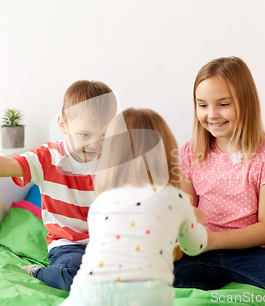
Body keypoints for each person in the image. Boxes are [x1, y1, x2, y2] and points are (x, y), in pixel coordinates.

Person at [0, 80, 118, 292]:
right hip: (69, 246)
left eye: (104, 135)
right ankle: (36, 271)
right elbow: (7, 165)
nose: (95, 144)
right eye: (85, 135)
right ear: (63, 125)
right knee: (75, 276)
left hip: (109, 242)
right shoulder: (48, 157)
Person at [174, 57, 265, 306]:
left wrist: (210, 240)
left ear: (246, 103)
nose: (212, 115)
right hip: (199, 253)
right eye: (202, 105)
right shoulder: (191, 151)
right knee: (142, 284)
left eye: (223, 104)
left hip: (254, 254)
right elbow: (186, 207)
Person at [61, 108, 208, 306]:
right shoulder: (177, 199)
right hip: (148, 295)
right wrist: (199, 221)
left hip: (89, 291)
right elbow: (194, 246)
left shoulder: (101, 202)